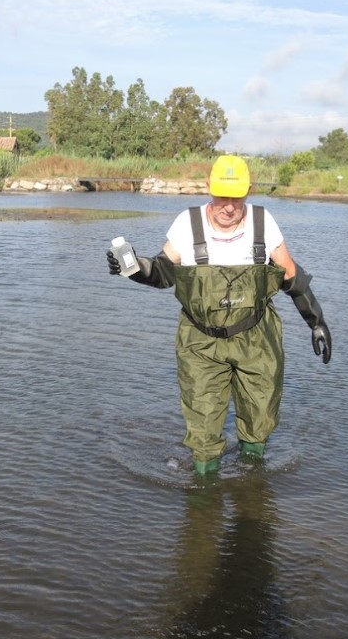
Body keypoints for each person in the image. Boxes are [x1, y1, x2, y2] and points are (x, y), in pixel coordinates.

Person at [106, 154, 331, 475]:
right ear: (209, 189)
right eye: (222, 196)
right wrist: (132, 267)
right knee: (203, 423)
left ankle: (253, 478)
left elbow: (290, 275)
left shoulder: (263, 222)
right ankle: (204, 494)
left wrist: (316, 321)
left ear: (249, 191)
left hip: (257, 339)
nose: (229, 206)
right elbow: (162, 272)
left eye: (236, 198)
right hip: (200, 342)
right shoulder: (188, 223)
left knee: (260, 415)